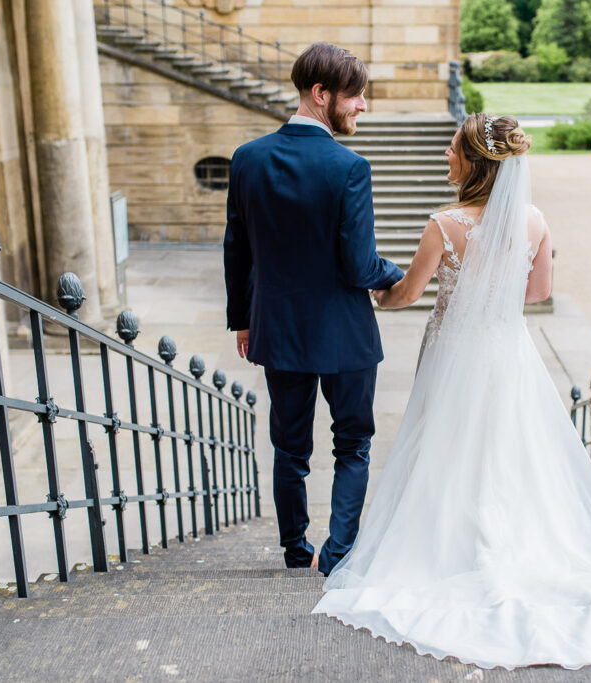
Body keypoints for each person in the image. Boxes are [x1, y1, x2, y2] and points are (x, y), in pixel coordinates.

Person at [313, 114, 591, 669]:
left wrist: (374, 292)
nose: (445, 158)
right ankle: (509, 541)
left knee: (447, 447)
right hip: (507, 350)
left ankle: (456, 545)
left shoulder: (444, 224)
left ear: (474, 163)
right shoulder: (534, 221)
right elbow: (539, 291)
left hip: (453, 352)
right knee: (510, 448)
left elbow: (405, 295)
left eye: (451, 151)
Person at [222, 43, 403, 576]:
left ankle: (295, 550)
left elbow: (237, 248)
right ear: (321, 95)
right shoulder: (349, 167)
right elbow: (360, 266)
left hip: (278, 332)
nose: (363, 107)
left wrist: (245, 319)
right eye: (356, 96)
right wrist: (405, 273)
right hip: (345, 335)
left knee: (289, 448)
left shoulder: (247, 158)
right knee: (353, 445)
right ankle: (339, 553)